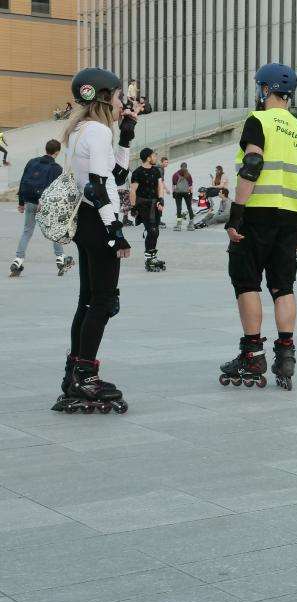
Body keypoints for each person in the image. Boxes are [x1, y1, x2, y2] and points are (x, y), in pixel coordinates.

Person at [218, 62, 297, 392]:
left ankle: (252, 354)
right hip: (289, 216)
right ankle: (286, 353)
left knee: (247, 282)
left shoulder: (258, 120)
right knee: (283, 285)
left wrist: (236, 213)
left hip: (257, 212)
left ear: (263, 89)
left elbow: (253, 164)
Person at [52, 67, 137, 415]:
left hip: (86, 221)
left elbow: (113, 174)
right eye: (119, 96)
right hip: (99, 221)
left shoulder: (80, 130)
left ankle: (74, 372)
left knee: (88, 301)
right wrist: (115, 232)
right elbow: (99, 188)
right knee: (103, 301)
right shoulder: (99, 132)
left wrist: (127, 139)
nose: (123, 103)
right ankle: (86, 375)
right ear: (104, 96)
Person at [11, 139, 71, 277]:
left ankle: (18, 260)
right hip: (45, 204)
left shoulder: (32, 162)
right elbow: (56, 190)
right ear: (57, 152)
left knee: (27, 231)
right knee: (54, 231)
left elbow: (23, 180)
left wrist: (21, 203)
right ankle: (60, 259)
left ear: (46, 149)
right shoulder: (56, 168)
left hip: (30, 202)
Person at [129, 147, 167, 271]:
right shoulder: (137, 172)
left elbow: (160, 186)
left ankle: (153, 257)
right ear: (148, 158)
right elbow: (133, 191)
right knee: (151, 231)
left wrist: (161, 200)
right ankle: (149, 260)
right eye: (154, 156)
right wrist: (133, 206)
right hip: (143, 205)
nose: (156, 158)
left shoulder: (156, 171)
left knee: (156, 231)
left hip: (155, 204)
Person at [171, 162, 196, 229]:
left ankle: (179, 225)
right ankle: (191, 224)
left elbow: (173, 185)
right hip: (187, 193)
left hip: (178, 193)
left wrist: (173, 193)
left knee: (179, 208)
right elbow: (190, 186)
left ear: (180, 167)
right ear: (186, 167)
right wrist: (191, 194)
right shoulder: (188, 175)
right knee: (189, 207)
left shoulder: (175, 174)